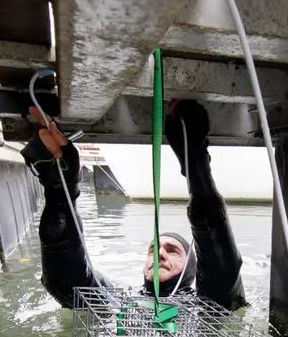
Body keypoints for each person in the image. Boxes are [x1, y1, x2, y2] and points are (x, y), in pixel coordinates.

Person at [22, 100, 246, 311]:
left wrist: (198, 170)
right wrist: (60, 194)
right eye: (153, 250)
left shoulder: (204, 305)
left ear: (192, 268)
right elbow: (68, 288)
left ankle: (196, 160)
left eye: (172, 250)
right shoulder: (122, 299)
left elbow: (224, 277)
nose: (159, 254)